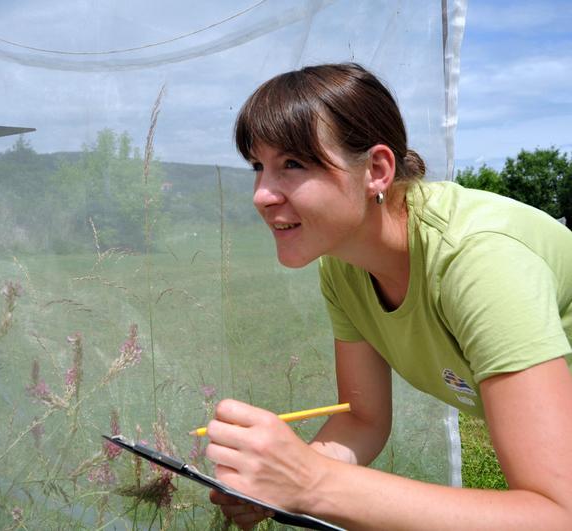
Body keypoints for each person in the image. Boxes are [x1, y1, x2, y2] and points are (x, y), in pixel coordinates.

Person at [205, 63, 572, 530]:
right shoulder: (343, 265)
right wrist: (280, 483)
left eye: (292, 164)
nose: (261, 195)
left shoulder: (480, 260)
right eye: (259, 166)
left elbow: (556, 516)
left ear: (377, 170)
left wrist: (312, 482)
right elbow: (363, 419)